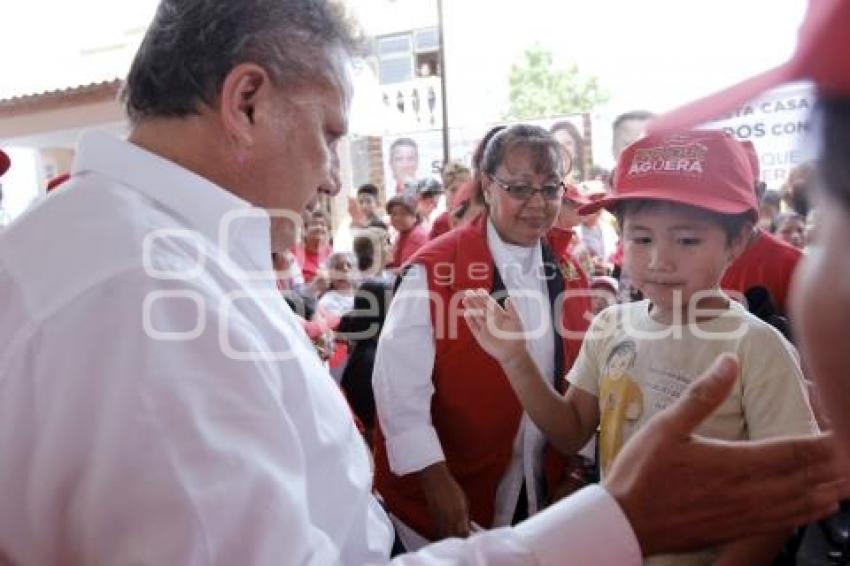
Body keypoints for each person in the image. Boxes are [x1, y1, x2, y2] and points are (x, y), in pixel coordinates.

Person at [0, 1, 845, 564]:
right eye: (331, 133)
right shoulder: (136, 295)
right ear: (246, 101)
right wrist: (604, 525)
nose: (334, 176)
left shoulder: (153, 256)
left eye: (551, 188)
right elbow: (401, 401)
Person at [463, 129, 820, 565]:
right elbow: (572, 428)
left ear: (738, 240)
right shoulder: (611, 325)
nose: (659, 261)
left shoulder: (758, 348)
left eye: (687, 240)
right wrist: (515, 359)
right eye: (642, 238)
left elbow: (784, 494)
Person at [385, 193, 429, 270]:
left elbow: (405, 272)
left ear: (414, 216)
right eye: (393, 214)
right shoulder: (403, 233)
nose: (397, 218)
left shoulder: (417, 236)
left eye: (403, 214)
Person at [294, 208, 333, 284]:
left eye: (323, 225)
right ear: (304, 231)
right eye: (314, 224)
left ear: (328, 232)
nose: (319, 227)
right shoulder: (294, 252)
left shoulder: (333, 256)